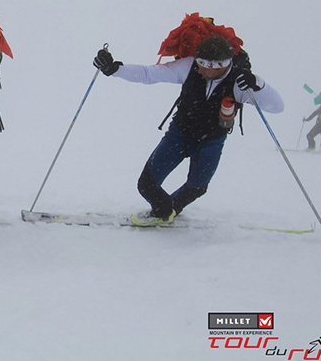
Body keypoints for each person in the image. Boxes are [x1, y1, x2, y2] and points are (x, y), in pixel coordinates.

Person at [93, 35, 285, 226]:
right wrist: (115, 69)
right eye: (203, 63)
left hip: (211, 143)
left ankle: (169, 210)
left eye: (216, 65)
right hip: (178, 136)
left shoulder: (239, 81)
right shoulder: (188, 67)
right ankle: (164, 211)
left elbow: (277, 106)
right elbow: (150, 74)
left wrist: (258, 84)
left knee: (197, 187)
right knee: (146, 185)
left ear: (227, 63)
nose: (208, 70)